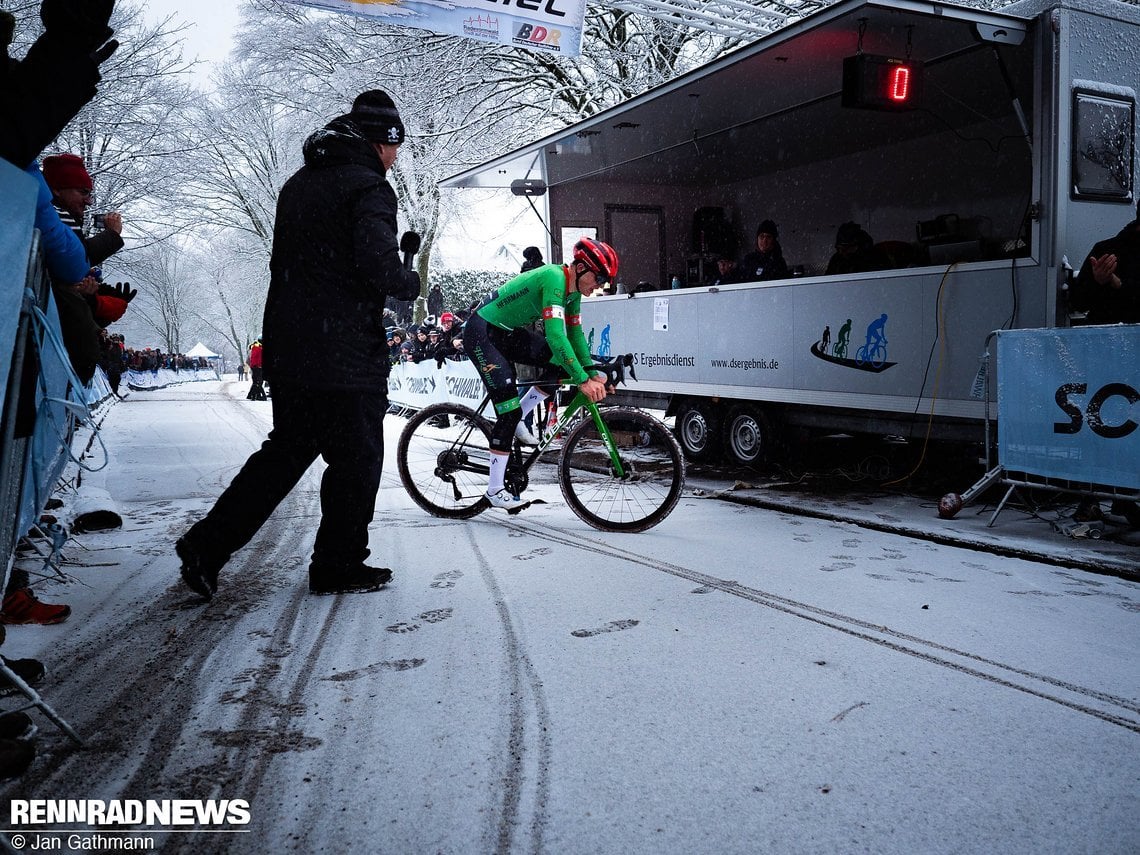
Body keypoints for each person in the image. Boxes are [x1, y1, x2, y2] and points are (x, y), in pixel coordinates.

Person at [175, 89, 421, 599]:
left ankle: (207, 544)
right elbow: (377, 268)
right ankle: (338, 563)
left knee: (285, 453)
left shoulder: (299, 183)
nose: (396, 158)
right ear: (379, 143)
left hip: (290, 346)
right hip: (345, 353)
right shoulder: (369, 188)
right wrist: (406, 278)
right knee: (356, 461)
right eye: (394, 147)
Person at [463, 237, 618, 510]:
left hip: (506, 332)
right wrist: (582, 380)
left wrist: (592, 372)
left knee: (559, 365)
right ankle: (494, 489)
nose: (600, 285)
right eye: (600, 277)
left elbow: (575, 335)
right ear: (581, 268)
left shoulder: (572, 293)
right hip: (482, 333)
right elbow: (557, 337)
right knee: (508, 412)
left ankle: (517, 416)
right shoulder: (554, 278)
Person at [1070, 202, 1140, 528]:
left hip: (1112, 353)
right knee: (1105, 426)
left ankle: (1118, 498)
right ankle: (1096, 498)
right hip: (1111, 355)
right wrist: (1098, 282)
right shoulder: (1107, 249)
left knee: (1110, 427)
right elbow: (1077, 301)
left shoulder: (1108, 249)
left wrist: (1115, 285)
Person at [1071, 201, 1140, 325]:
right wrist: (1097, 282)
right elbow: (1078, 303)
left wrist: (1121, 285)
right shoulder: (1105, 251)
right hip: (1108, 337)